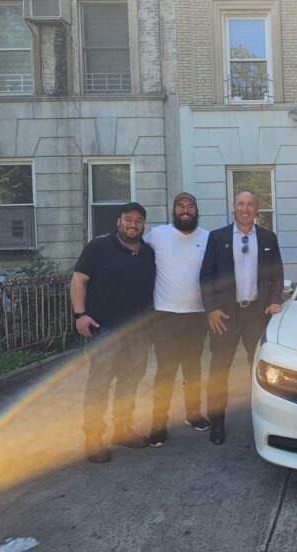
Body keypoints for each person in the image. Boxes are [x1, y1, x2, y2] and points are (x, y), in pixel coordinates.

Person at [71, 202, 156, 463]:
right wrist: (79, 315)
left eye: (138, 221)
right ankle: (93, 437)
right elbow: (78, 280)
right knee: (99, 384)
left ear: (143, 225)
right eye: (128, 220)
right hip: (104, 328)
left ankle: (122, 429)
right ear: (119, 221)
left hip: (137, 330)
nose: (133, 225)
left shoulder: (147, 252)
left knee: (130, 382)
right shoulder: (98, 247)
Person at [199, 190, 284, 445]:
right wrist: (211, 309)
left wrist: (274, 300)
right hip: (225, 314)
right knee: (219, 370)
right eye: (240, 204)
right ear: (233, 207)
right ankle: (217, 424)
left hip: (256, 314)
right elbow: (206, 276)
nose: (245, 209)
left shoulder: (268, 237)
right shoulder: (218, 237)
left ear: (257, 208)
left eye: (250, 204)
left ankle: (263, 420)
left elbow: (277, 274)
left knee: (258, 370)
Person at [144, 193, 210, 448]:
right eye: (180, 206)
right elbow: (133, 247)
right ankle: (158, 422)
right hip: (165, 315)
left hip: (196, 314)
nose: (185, 210)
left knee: (193, 368)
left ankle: (193, 414)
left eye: (190, 206)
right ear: (173, 210)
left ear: (196, 210)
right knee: (165, 371)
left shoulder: (207, 238)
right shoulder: (158, 234)